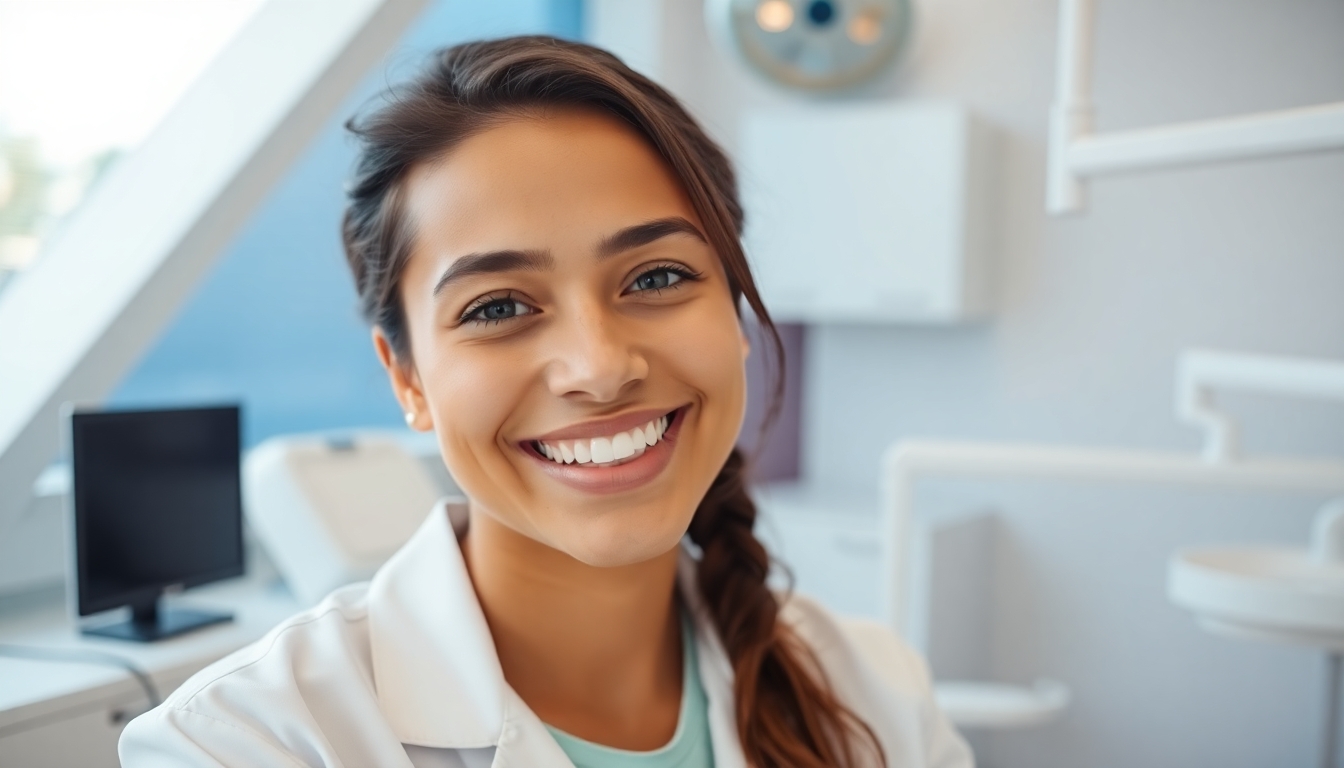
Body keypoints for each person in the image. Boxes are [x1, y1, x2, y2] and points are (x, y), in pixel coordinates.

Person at [119, 36, 972, 768]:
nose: (599, 369)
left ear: (738, 316)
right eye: (496, 308)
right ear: (406, 377)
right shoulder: (241, 746)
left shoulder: (876, 694)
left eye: (658, 277)